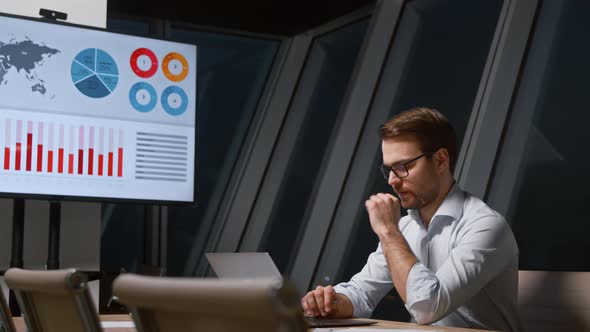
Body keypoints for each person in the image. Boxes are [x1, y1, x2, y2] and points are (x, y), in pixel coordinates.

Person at [301, 107, 521, 331]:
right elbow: (362, 293)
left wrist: (388, 231)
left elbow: (427, 307)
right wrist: (332, 302)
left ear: (441, 160)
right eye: (389, 170)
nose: (392, 181)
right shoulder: (406, 227)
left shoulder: (485, 226)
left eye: (403, 167)